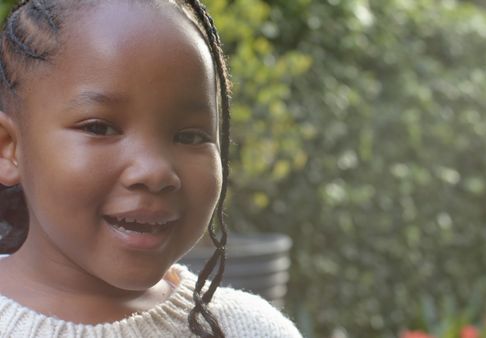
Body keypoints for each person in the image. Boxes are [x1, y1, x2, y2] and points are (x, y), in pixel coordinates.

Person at [0, 0, 302, 337]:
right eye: (100, 128)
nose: (155, 172)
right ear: (8, 147)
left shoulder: (249, 330)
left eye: (189, 136)